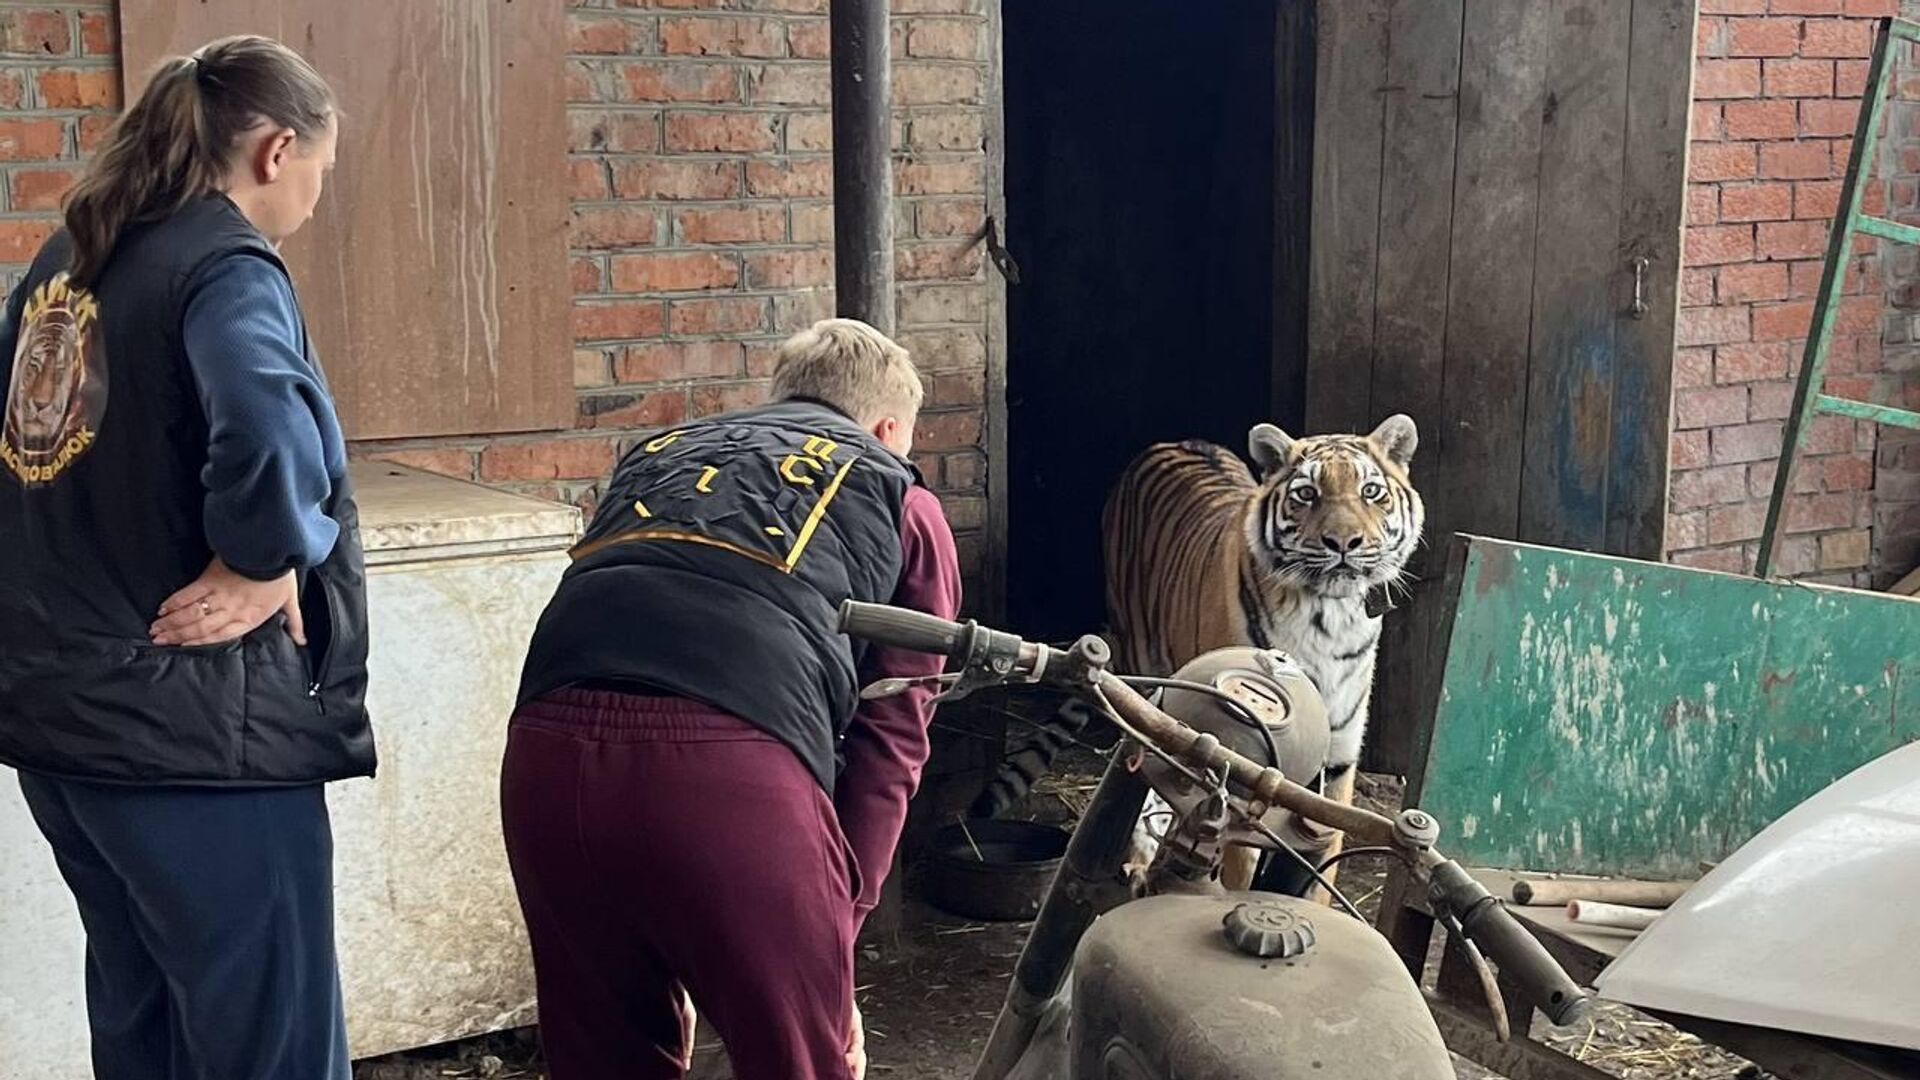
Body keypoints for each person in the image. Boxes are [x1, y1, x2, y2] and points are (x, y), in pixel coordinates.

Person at [0, 36, 369, 1080]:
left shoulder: (70, 259)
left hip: (65, 730)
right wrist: (265, 556)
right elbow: (262, 420)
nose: (312, 198)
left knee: (146, 1033)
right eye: (319, 173)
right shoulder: (221, 260)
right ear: (275, 150)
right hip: (195, 740)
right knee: (272, 1047)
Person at [503, 318, 962, 1080]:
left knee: (605, 1062)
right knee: (799, 1063)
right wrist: (835, 931)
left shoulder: (657, 460)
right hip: (728, 773)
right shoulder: (898, 495)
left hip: (543, 758)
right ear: (888, 429)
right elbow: (895, 729)